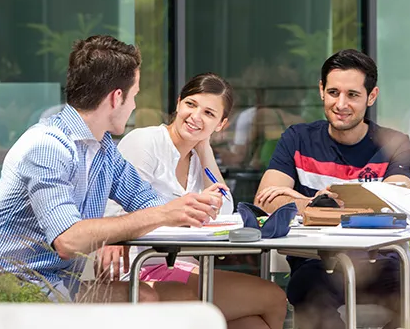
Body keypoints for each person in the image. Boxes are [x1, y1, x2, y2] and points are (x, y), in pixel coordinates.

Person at [0, 35, 221, 303]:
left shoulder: (104, 148)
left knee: (159, 297)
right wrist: (164, 214)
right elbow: (68, 240)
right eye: (134, 96)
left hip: (59, 285)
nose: (134, 106)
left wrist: (184, 210)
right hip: (11, 291)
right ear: (116, 97)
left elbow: (147, 203)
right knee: (149, 300)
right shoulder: (47, 147)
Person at [254, 49, 410, 329]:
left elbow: (395, 200)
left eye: (353, 95)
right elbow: (266, 200)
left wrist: (309, 203)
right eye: (334, 92)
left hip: (380, 263)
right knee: (311, 301)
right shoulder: (297, 139)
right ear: (321, 91)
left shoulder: (393, 143)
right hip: (316, 265)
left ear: (371, 97)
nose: (341, 103)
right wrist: (321, 202)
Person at [103, 73, 286, 329]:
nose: (196, 117)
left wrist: (205, 149)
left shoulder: (197, 159)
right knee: (273, 298)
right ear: (178, 103)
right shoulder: (147, 142)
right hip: (139, 267)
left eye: (209, 114)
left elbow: (224, 210)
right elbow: (113, 210)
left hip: (180, 264)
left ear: (221, 125)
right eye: (191, 104)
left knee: (252, 324)